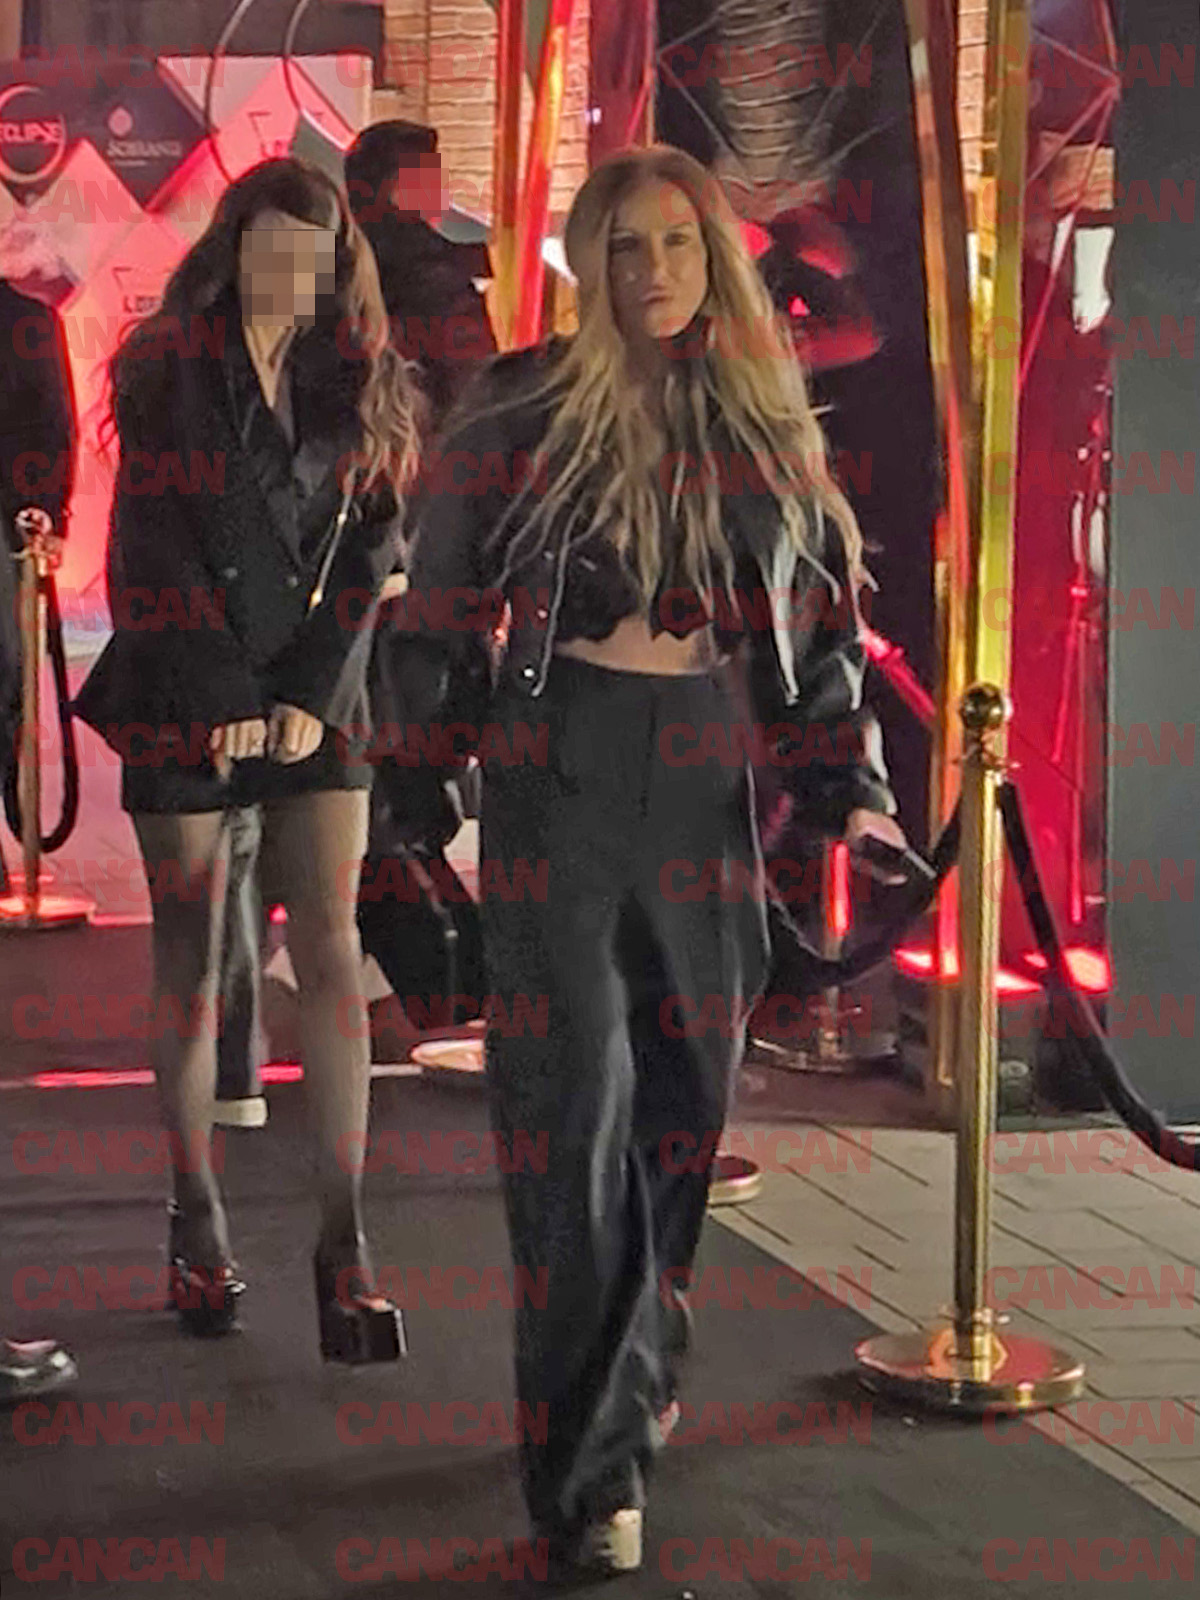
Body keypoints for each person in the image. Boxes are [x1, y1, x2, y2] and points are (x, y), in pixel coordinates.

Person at [394, 145, 904, 1574]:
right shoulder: (525, 403)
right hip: (559, 766)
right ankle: (588, 1471)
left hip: (708, 773)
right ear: (591, 262)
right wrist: (412, 797)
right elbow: (438, 607)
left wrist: (851, 789)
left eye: (680, 242)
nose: (657, 270)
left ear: (715, 257)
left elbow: (822, 629)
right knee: (573, 1122)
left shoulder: (758, 411)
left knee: (685, 1108)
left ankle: (636, 1356)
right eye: (628, 245)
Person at [74, 158, 421, 1360]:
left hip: (318, 694)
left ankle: (346, 1239)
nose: (290, 272)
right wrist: (225, 692)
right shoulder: (168, 367)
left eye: (311, 253)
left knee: (330, 943)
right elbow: (148, 544)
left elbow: (375, 552)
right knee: (192, 957)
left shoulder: (359, 377)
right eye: (270, 247)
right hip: (185, 683)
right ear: (232, 250)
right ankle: (196, 1215)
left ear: (336, 263)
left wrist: (310, 696)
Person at [343, 120, 495, 431]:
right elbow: (474, 384)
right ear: (399, 188)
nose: (445, 187)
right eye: (434, 174)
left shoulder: (335, 270)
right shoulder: (435, 276)